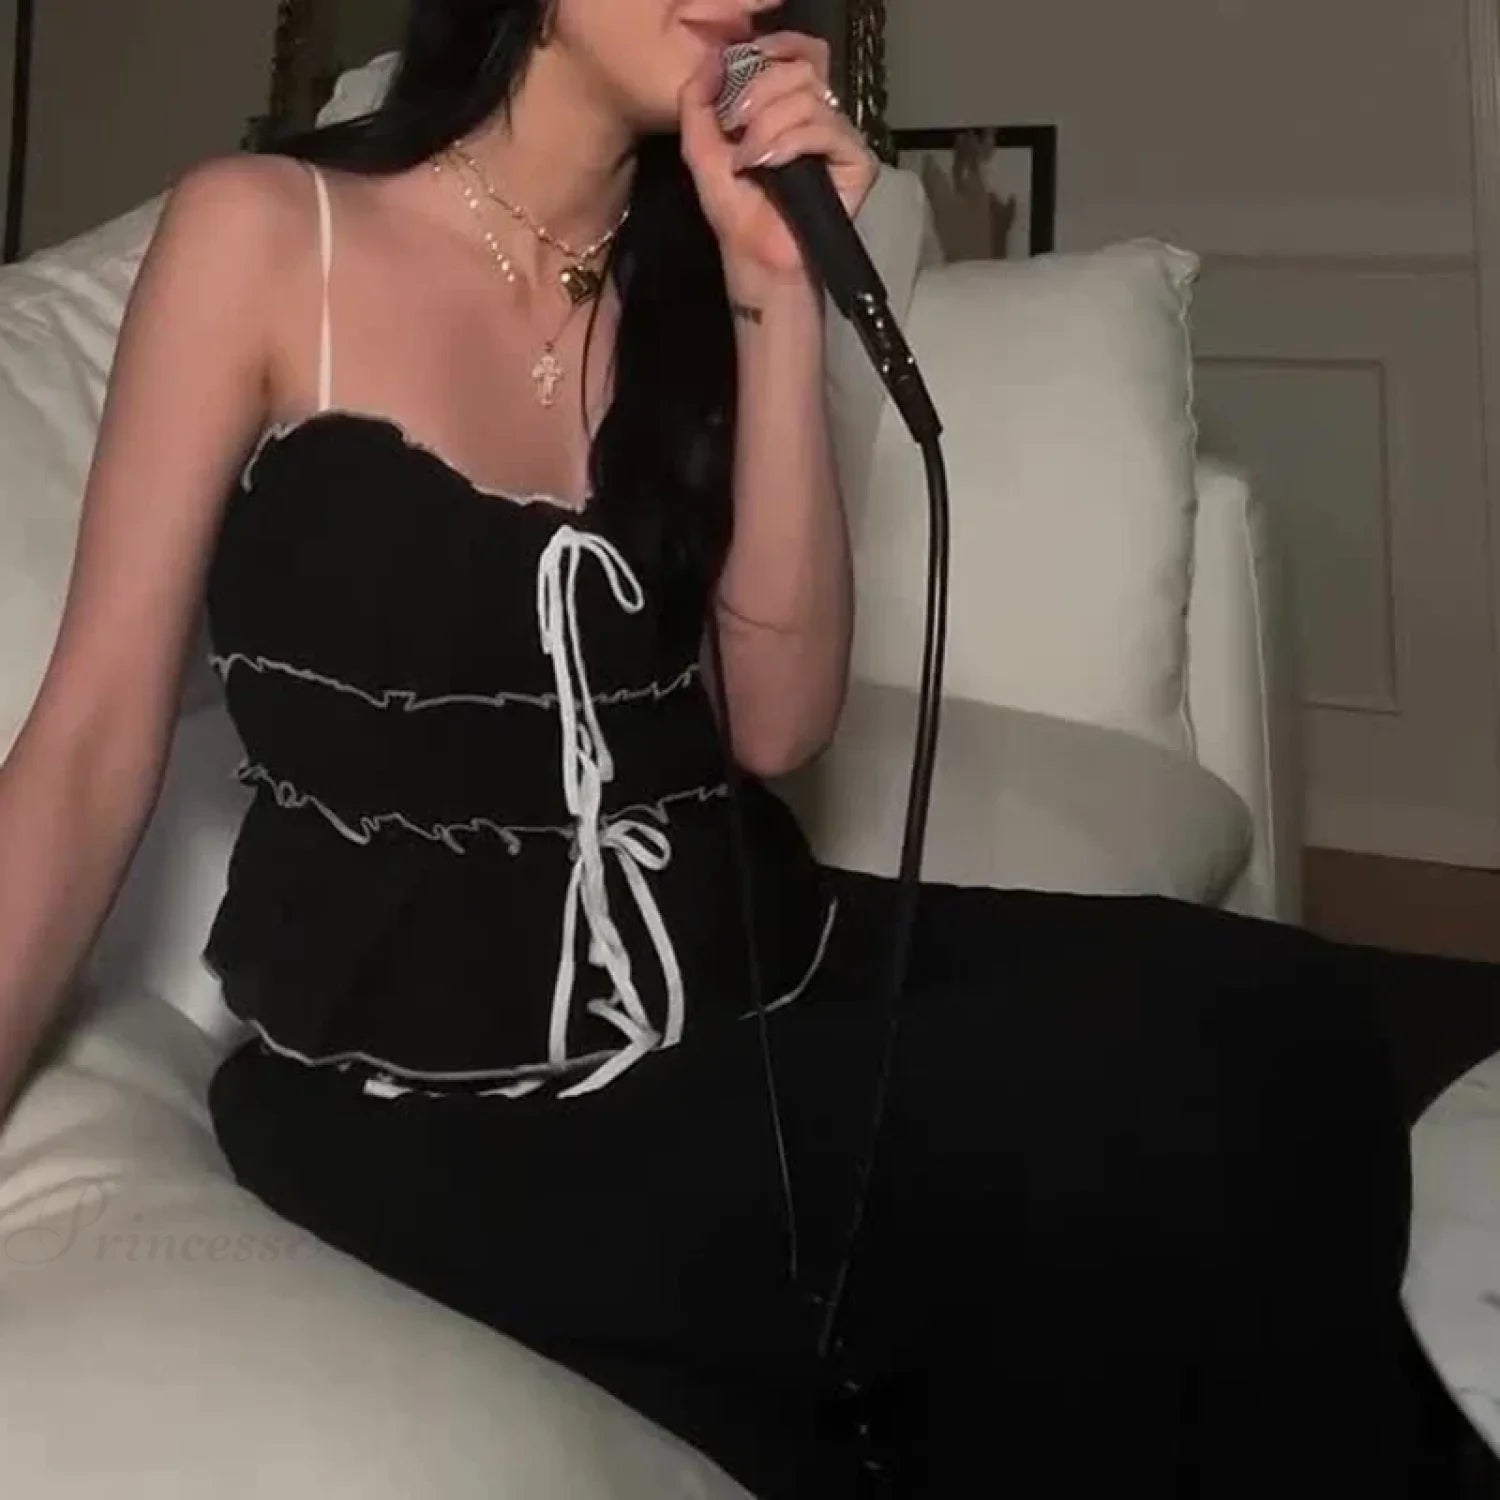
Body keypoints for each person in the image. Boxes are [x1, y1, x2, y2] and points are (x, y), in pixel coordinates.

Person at [2, 1, 1499, 1494]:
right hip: (449, 1099)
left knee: (1287, 1016)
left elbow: (775, 722)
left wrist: (774, 299)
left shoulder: (689, 269)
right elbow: (87, 741)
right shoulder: (266, 233)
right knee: (1131, 1134)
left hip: (758, 966)